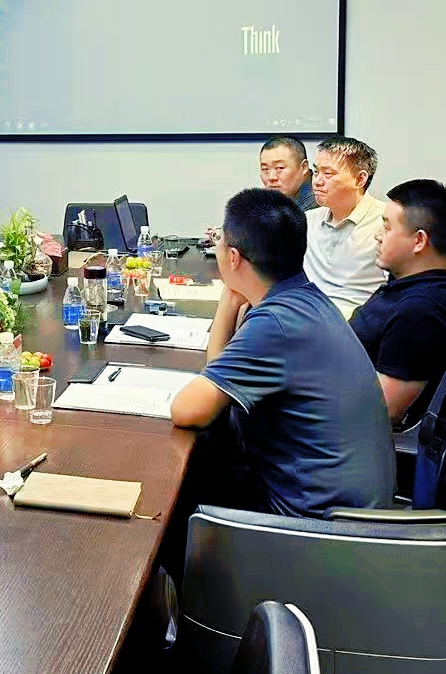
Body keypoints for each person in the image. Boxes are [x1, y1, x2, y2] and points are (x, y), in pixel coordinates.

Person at [169, 189, 394, 520]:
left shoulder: (276, 324)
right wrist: (230, 300)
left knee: (172, 492)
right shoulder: (304, 299)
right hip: (343, 509)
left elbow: (188, 410)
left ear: (234, 258)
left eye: (220, 242)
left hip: (314, 525)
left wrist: (230, 297)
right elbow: (220, 381)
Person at [350, 180, 446, 426]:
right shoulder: (417, 283)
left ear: (419, 241)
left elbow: (385, 409)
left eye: (387, 227)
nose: (378, 236)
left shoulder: (419, 311)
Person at [304, 135, 386, 319]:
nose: (317, 181)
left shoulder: (386, 223)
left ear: (360, 179)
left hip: (359, 323)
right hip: (307, 318)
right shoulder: (307, 221)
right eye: (316, 172)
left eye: (328, 174)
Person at [258, 136, 317, 211]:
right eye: (265, 169)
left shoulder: (317, 199)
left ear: (304, 167)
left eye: (279, 168)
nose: (271, 177)